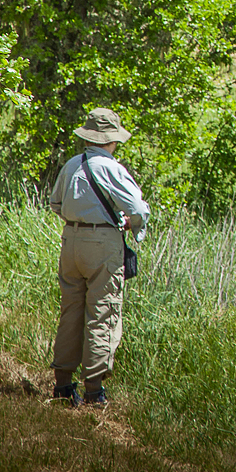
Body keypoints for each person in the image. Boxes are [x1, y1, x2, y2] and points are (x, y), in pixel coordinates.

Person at [48, 107, 150, 408]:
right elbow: (139, 210)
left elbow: (55, 203)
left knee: (71, 312)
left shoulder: (71, 165)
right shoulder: (112, 168)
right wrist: (131, 225)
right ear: (112, 140)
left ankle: (63, 386)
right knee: (102, 313)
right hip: (102, 244)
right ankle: (93, 391)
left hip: (70, 241)